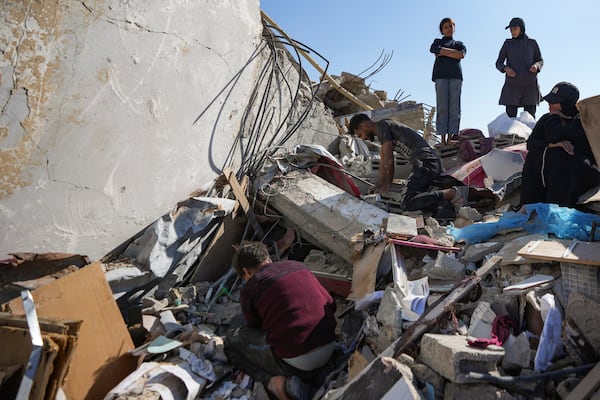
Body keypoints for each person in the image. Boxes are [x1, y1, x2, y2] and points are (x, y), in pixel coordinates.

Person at [224, 241, 336, 400]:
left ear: (246, 271)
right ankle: (313, 376)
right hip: (329, 347)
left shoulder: (251, 288)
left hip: (296, 362)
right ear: (268, 259)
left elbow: (255, 328)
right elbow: (331, 304)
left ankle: (272, 382)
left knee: (230, 342)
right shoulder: (298, 267)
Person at [347, 113, 468, 216]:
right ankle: (444, 203)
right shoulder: (384, 132)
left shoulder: (383, 126)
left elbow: (389, 160)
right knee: (416, 201)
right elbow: (384, 160)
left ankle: (453, 193)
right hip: (427, 162)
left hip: (426, 162)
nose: (363, 138)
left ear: (364, 126)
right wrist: (379, 185)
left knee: (407, 202)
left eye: (360, 134)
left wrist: (386, 186)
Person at [520, 82, 600, 208]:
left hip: (583, 170)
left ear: (566, 103)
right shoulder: (546, 119)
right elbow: (531, 143)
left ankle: (559, 205)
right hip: (555, 170)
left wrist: (554, 119)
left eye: (554, 102)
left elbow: (556, 134)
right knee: (535, 156)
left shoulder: (580, 120)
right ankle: (529, 204)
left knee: (559, 155)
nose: (550, 105)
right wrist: (550, 144)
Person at [495, 17, 543, 118]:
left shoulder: (532, 43)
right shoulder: (508, 44)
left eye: (515, 29)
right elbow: (498, 63)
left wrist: (536, 66)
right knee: (509, 121)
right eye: (511, 30)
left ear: (522, 29)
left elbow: (540, 60)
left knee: (529, 119)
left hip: (530, 85)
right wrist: (505, 69)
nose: (512, 32)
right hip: (512, 85)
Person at [430, 17, 466, 145]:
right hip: (441, 77)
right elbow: (435, 50)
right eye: (446, 27)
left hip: (456, 77)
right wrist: (452, 53)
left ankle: (452, 137)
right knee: (442, 107)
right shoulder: (437, 41)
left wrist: (443, 52)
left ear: (454, 27)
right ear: (442, 30)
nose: (449, 29)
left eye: (451, 26)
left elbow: (461, 55)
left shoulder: (459, 44)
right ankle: (443, 138)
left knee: (454, 107)